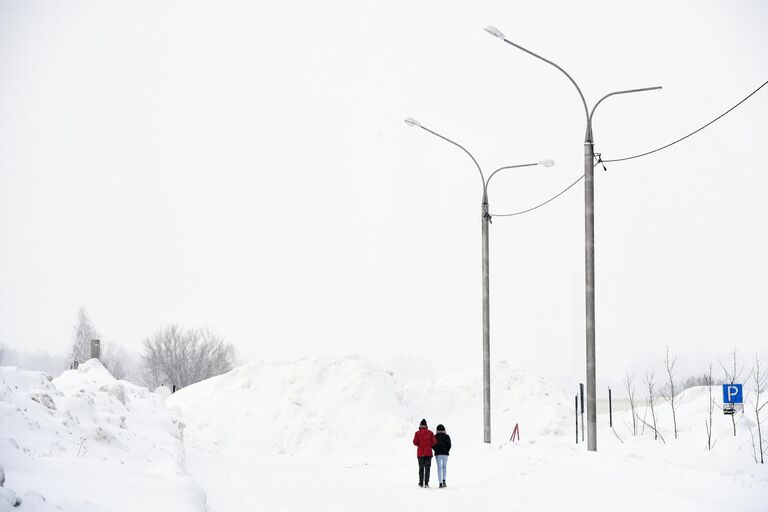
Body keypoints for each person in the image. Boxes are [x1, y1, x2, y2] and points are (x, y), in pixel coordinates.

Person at [412, 418, 436, 488]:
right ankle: (426, 483)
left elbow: (414, 442)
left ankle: (421, 483)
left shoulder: (417, 433)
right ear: (426, 425)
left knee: (421, 468)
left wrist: (420, 444)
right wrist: (429, 445)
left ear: (420, 425)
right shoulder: (430, 433)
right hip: (428, 453)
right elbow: (434, 442)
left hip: (420, 453)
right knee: (427, 468)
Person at [433, 424, 451, 488]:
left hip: (438, 454)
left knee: (439, 468)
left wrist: (436, 449)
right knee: (444, 467)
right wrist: (446, 450)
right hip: (445, 454)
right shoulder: (447, 436)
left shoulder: (435, 436)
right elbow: (449, 445)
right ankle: (444, 481)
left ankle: (440, 483)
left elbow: (433, 445)